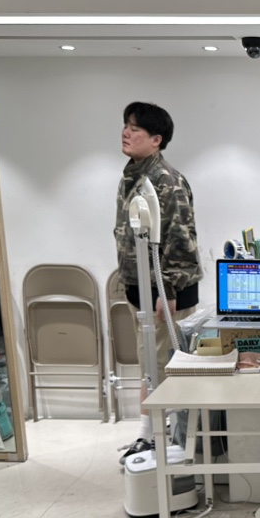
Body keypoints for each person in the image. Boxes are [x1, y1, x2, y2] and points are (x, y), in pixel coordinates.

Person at [113, 102, 202, 464]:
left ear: (156, 139)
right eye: (126, 125)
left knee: (163, 367)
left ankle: (161, 439)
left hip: (166, 294)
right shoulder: (132, 176)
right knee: (148, 366)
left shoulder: (166, 180)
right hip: (141, 291)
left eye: (135, 128)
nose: (126, 132)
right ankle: (149, 435)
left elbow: (181, 240)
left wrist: (171, 291)